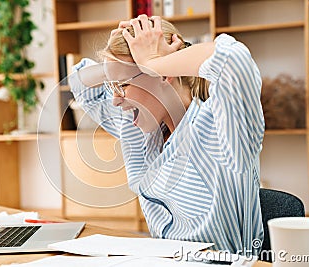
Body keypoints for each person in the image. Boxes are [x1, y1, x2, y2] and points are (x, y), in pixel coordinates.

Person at [68, 14, 265, 255]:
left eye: (123, 85)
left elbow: (234, 58)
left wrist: (153, 62)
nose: (116, 100)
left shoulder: (222, 126)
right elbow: (80, 85)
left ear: (163, 75)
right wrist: (113, 67)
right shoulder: (142, 134)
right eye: (113, 87)